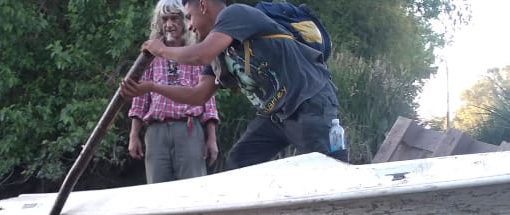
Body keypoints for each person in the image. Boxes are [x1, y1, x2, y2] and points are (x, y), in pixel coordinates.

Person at [121, 0, 346, 170]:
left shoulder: (235, 14)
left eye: (189, 17)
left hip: (308, 102)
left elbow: (199, 55)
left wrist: (160, 49)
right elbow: (198, 95)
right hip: (276, 116)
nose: (189, 27)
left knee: (327, 170)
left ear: (203, 4)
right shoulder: (218, 55)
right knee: (240, 160)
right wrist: (152, 87)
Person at [128, 0, 221, 183]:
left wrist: (212, 138)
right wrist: (133, 135)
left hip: (188, 129)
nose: (169, 25)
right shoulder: (149, 55)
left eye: (175, 19)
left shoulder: (196, 52)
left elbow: (207, 99)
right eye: (165, 19)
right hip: (156, 131)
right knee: (157, 190)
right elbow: (140, 98)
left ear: (185, 21)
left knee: (193, 187)